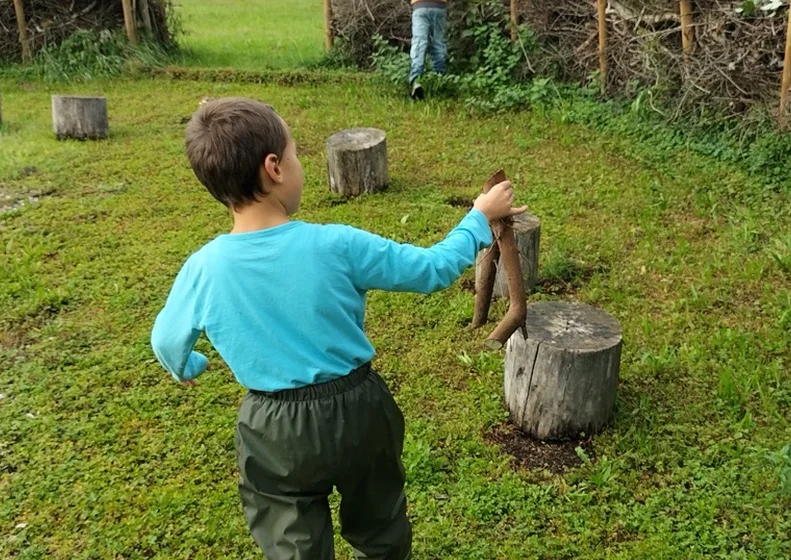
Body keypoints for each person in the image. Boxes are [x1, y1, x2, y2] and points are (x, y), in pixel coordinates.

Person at [150, 97, 526, 559]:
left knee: (291, 538)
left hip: (271, 428)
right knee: (379, 524)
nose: (298, 163)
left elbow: (166, 340)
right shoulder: (338, 244)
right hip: (358, 411)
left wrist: (189, 362)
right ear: (274, 168)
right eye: (295, 154)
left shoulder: (202, 269)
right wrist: (479, 217)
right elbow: (432, 269)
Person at [408, 0, 448, 99]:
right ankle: (440, 80)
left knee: (419, 44)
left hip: (420, 5)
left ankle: (416, 81)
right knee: (438, 43)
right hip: (439, 6)